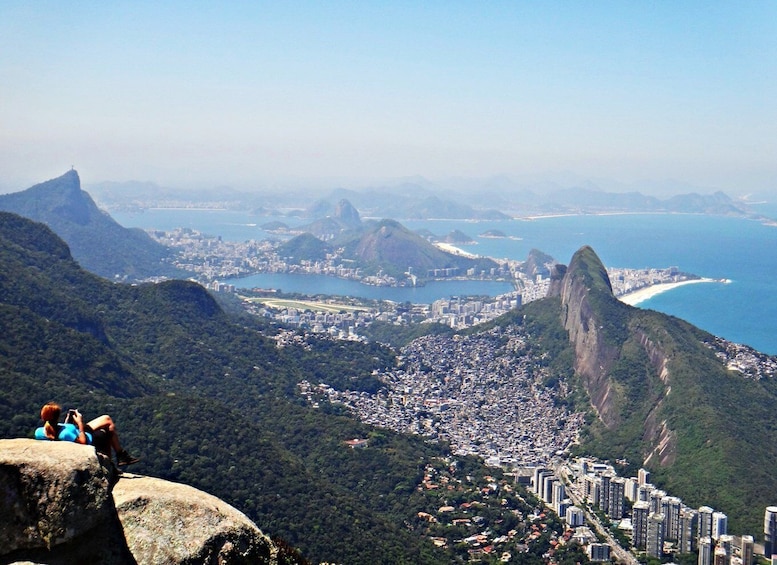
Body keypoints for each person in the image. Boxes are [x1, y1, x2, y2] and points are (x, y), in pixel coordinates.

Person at [35, 402, 139, 466]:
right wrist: (80, 422)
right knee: (106, 429)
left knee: (106, 418)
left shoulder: (39, 432)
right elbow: (83, 443)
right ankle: (117, 458)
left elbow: (58, 432)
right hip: (87, 437)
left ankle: (120, 456)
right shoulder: (65, 434)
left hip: (75, 431)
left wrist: (67, 422)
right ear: (57, 417)